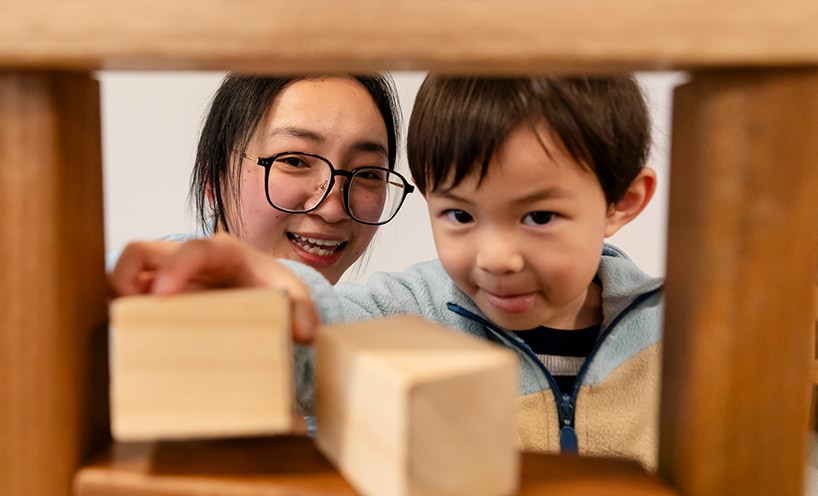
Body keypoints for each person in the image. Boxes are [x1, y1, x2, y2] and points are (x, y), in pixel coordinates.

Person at [111, 75, 663, 469]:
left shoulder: (677, 329)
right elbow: (324, 321)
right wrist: (245, 279)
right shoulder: (413, 310)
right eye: (459, 215)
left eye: (539, 216)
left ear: (621, 202)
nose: (495, 258)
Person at [108, 73, 413, 285]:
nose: (332, 209)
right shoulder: (119, 299)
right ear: (212, 176)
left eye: (368, 173)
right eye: (294, 161)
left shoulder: (360, 320)